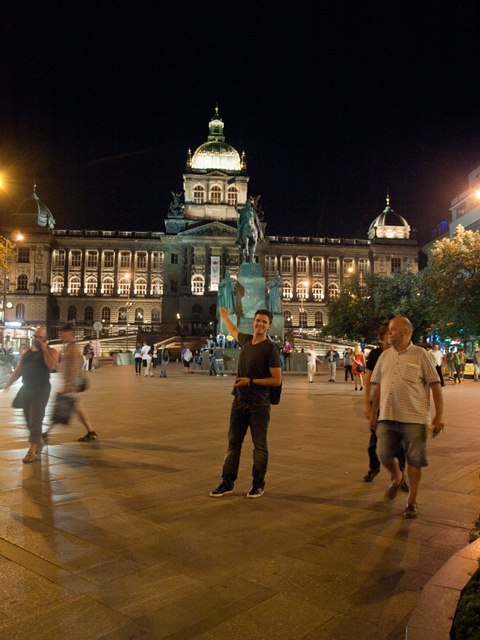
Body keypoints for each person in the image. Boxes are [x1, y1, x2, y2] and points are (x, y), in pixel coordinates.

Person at [370, 317, 444, 519]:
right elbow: (377, 386)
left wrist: (439, 415)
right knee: (383, 453)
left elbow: (435, 385)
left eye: (393, 329)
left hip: (415, 417)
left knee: (415, 460)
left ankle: (411, 501)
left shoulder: (420, 354)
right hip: (387, 414)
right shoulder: (385, 356)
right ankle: (397, 477)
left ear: (405, 332)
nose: (389, 332)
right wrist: (374, 413)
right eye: (389, 329)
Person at [210, 307, 281, 498]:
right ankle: (227, 482)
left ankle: (258, 484)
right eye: (258, 320)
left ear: (269, 326)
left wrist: (250, 381)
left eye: (264, 322)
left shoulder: (270, 349)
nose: (260, 324)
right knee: (233, 444)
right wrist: (225, 316)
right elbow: (233, 330)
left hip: (259, 404)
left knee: (259, 446)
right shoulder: (246, 341)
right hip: (239, 401)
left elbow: (276, 380)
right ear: (253, 322)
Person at [5, 326, 59, 462]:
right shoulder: (26, 353)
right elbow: (19, 370)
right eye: (35, 337)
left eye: (40, 337)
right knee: (28, 419)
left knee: (36, 418)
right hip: (26, 388)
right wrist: (9, 383)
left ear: (46, 338)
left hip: (41, 389)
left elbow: (52, 366)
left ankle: (32, 451)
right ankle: (39, 440)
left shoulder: (51, 351)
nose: (37, 340)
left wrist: (44, 349)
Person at [363, 322, 407, 487]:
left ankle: (399, 476)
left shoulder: (401, 353)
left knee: (400, 444)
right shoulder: (376, 354)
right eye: (389, 335)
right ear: (383, 337)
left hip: (397, 404)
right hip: (379, 403)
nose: (391, 338)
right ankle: (374, 468)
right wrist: (367, 403)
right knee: (374, 442)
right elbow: (368, 378)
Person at [43, 322, 97, 444]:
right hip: (71, 383)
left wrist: (69, 383)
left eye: (63, 332)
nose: (61, 335)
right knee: (76, 407)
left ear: (69, 333)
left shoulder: (73, 347)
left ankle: (46, 433)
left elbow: (74, 365)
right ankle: (90, 432)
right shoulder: (69, 346)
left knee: (60, 408)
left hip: (71, 384)